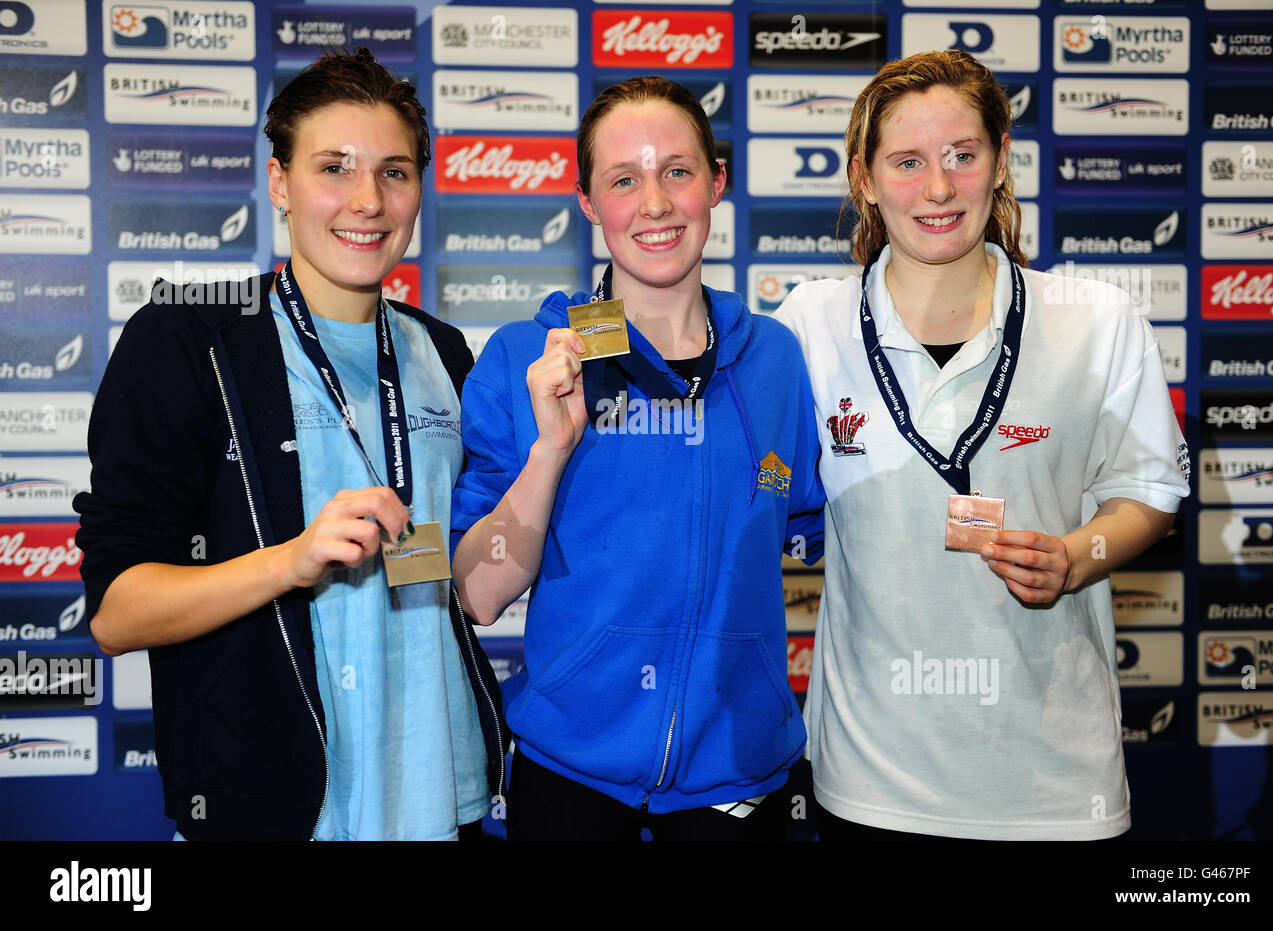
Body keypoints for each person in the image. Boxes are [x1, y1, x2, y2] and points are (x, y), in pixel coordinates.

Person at [74, 48, 504, 841]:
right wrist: (291, 560)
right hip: (280, 811)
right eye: (334, 167)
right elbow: (115, 613)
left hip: (447, 799)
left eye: (395, 172)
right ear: (279, 183)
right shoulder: (188, 341)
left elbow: (467, 576)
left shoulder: (444, 351)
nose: (367, 201)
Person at [774, 50, 1190, 841]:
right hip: (872, 781)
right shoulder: (810, 324)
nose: (938, 188)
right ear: (864, 178)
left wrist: (1078, 552)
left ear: (1001, 162)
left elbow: (1151, 493)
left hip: (1057, 786)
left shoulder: (1096, 321)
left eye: (963, 156)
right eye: (908, 161)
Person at [451, 76, 825, 841]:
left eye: (677, 172)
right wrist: (550, 451)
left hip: (742, 787)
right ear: (588, 201)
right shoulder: (526, 359)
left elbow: (809, 529)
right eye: (624, 179)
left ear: (716, 183)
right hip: (570, 784)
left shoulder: (777, 360)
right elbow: (480, 592)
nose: (654, 203)